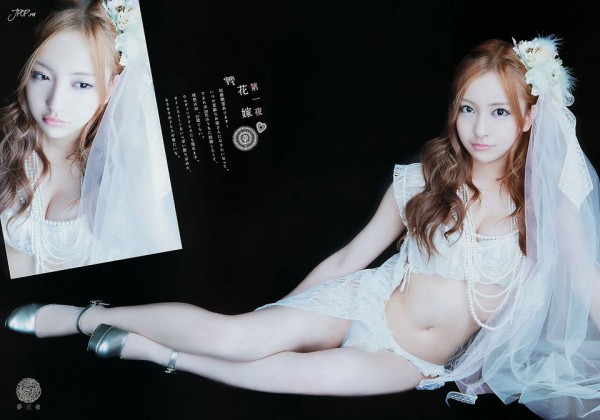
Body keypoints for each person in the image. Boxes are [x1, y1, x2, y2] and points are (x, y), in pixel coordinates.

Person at [6, 35, 600, 419]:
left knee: (292, 375)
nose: (480, 128)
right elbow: (350, 258)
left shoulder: (545, 204)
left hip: (413, 360)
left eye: (499, 112)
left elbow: (586, 279)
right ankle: (83, 315)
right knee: (238, 338)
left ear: (530, 118)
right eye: (468, 108)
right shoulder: (427, 179)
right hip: (364, 301)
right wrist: (281, 315)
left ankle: (149, 350)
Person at [0, 0, 181, 278]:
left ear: (112, 87)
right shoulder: (7, 144)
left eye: (82, 84)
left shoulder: (121, 173)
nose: (55, 102)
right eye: (41, 76)